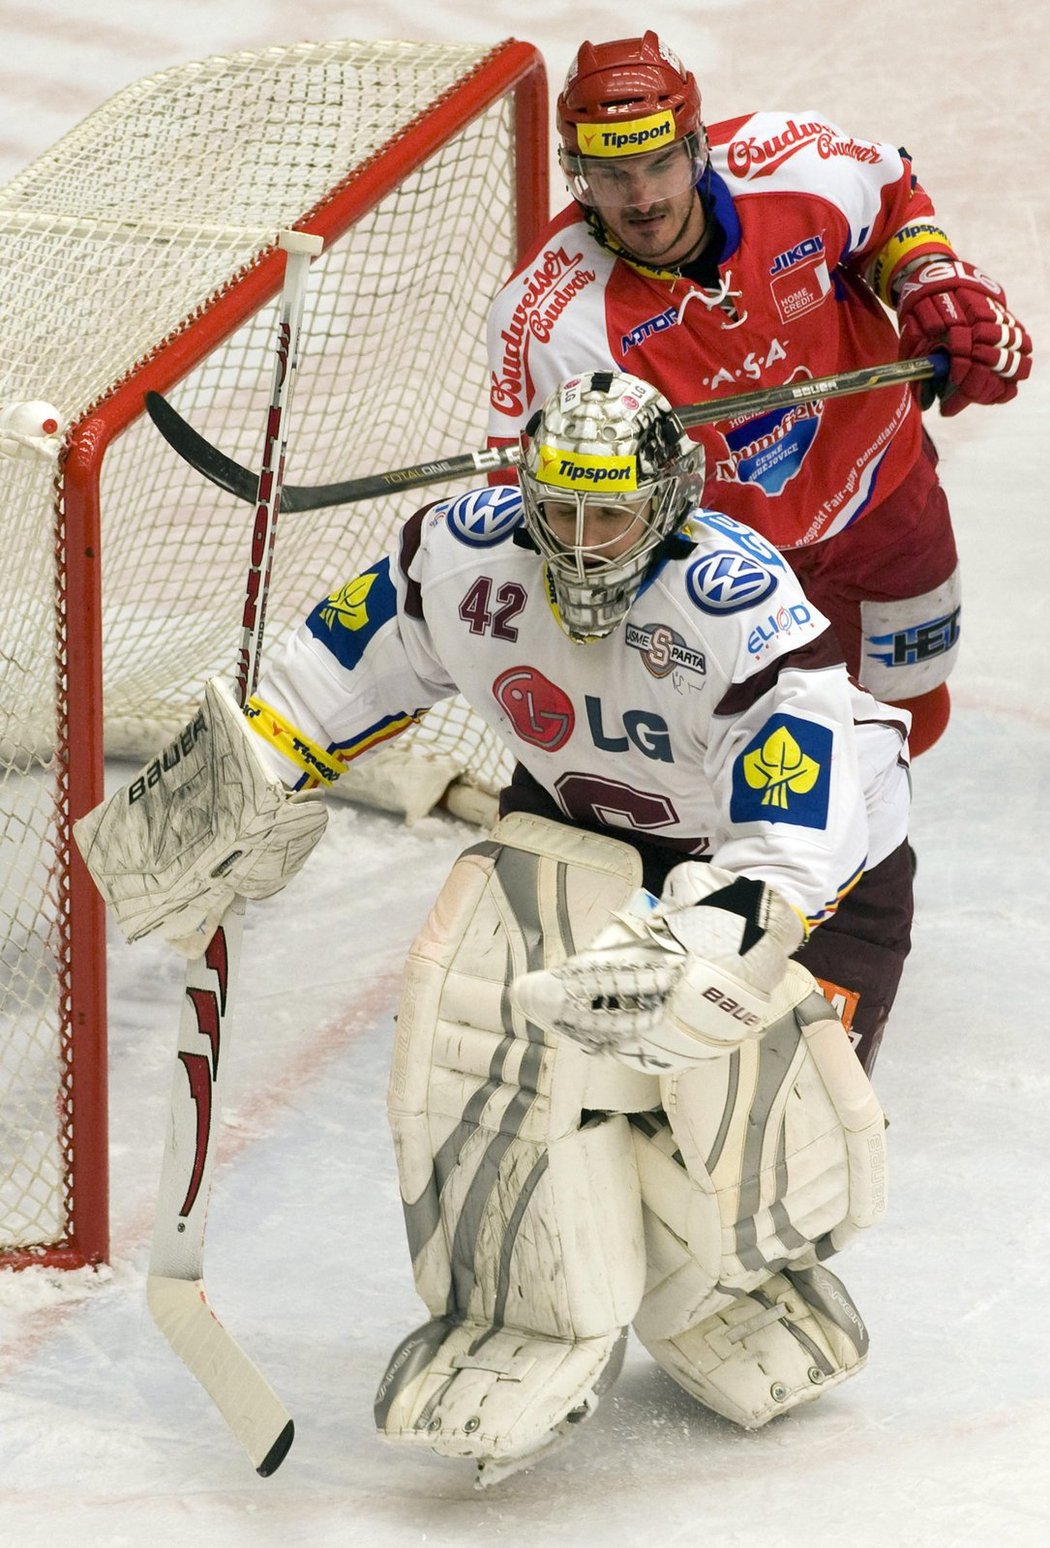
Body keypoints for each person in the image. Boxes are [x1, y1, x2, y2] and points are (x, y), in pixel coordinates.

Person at [75, 371, 908, 1485]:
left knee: (732, 1113)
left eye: (608, 514)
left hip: (798, 870)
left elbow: (794, 840)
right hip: (572, 827)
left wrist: (705, 947)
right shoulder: (464, 554)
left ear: (668, 506)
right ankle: (526, 1309)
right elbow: (331, 681)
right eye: (556, 509)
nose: (577, 543)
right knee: (494, 1059)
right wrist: (241, 783)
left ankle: (737, 1289)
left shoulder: (735, 610)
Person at [486, 32, 1032, 756]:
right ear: (577, 174)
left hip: (884, 497)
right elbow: (540, 507)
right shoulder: (552, 317)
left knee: (910, 714)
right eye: (613, 175)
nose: (644, 198)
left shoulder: (793, 162)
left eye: (660, 163)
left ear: (697, 146)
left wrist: (930, 277)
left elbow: (893, 204)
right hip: (720, 565)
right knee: (743, 756)